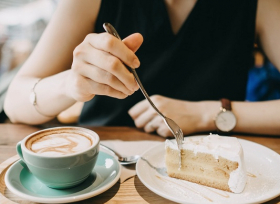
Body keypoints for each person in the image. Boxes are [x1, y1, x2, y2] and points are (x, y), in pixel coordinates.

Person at [3, 0, 280, 137]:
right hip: (106, 174)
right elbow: (15, 101)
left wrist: (210, 114)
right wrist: (70, 84)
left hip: (213, 170)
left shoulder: (262, 4)